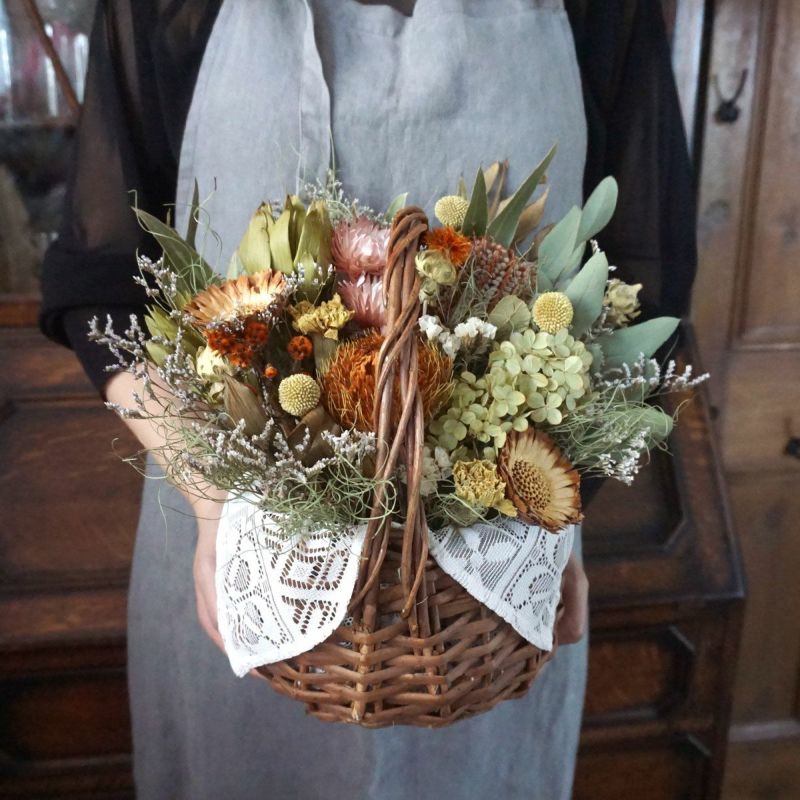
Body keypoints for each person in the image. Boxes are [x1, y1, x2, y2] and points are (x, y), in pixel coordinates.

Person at [39, 1, 696, 798]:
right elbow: (101, 284)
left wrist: (550, 513)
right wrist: (215, 507)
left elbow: (647, 273)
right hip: (230, 562)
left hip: (490, 599)